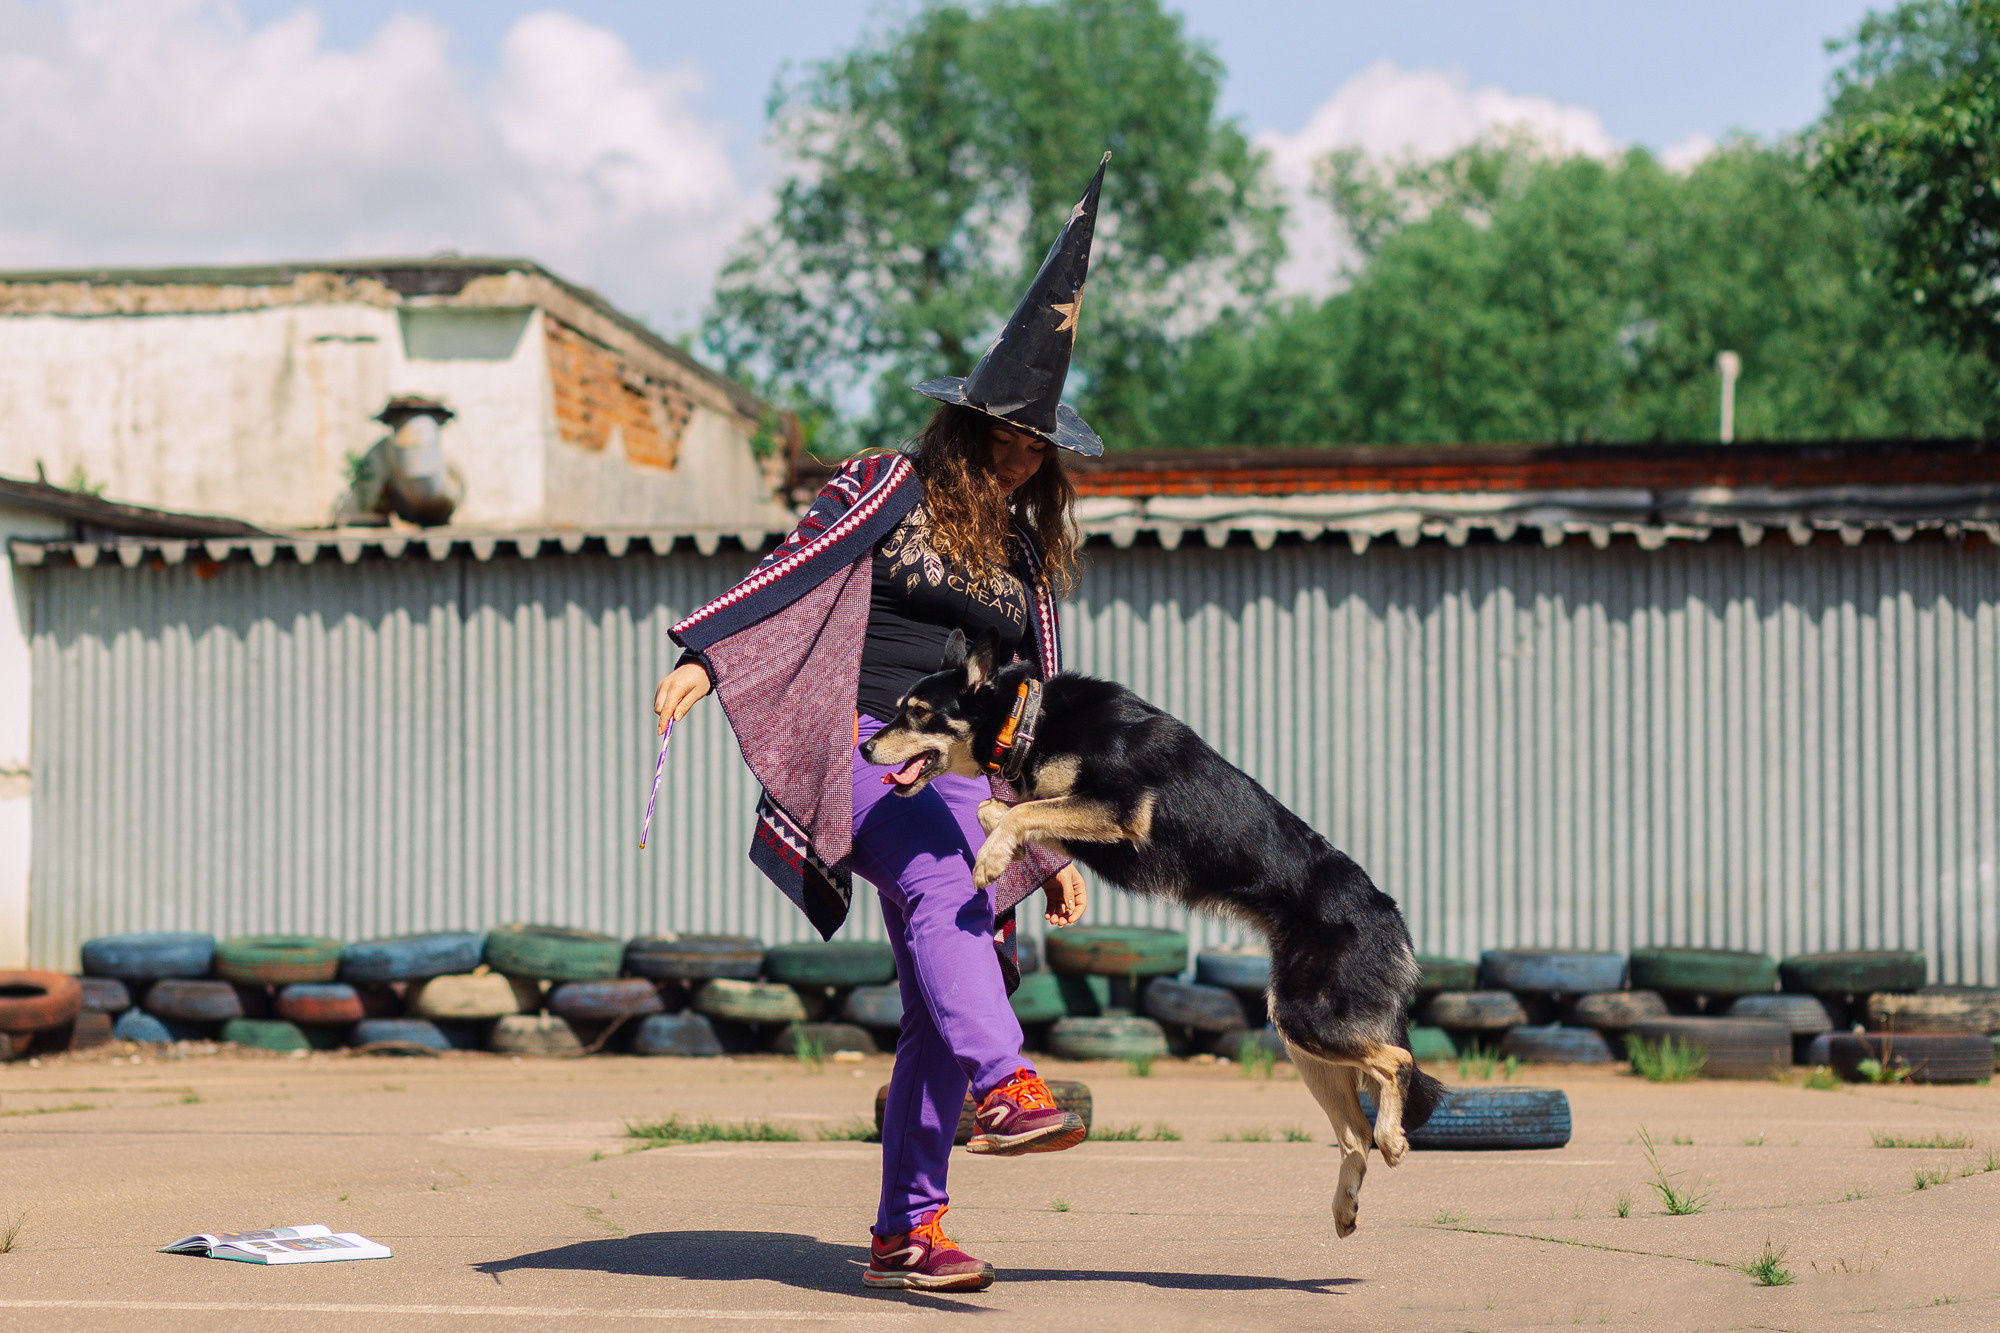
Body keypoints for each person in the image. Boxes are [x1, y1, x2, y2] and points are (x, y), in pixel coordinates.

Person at [652, 156, 1114, 1294]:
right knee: (942, 890)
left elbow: (1032, 696)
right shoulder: (886, 484)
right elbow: (793, 566)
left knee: (939, 995)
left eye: (1036, 444)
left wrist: (1050, 836)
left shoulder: (1022, 554)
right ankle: (1007, 1084)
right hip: (863, 745)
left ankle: (909, 1230)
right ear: (962, 423)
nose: (1020, 455)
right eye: (1003, 434)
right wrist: (707, 654)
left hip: (968, 778)